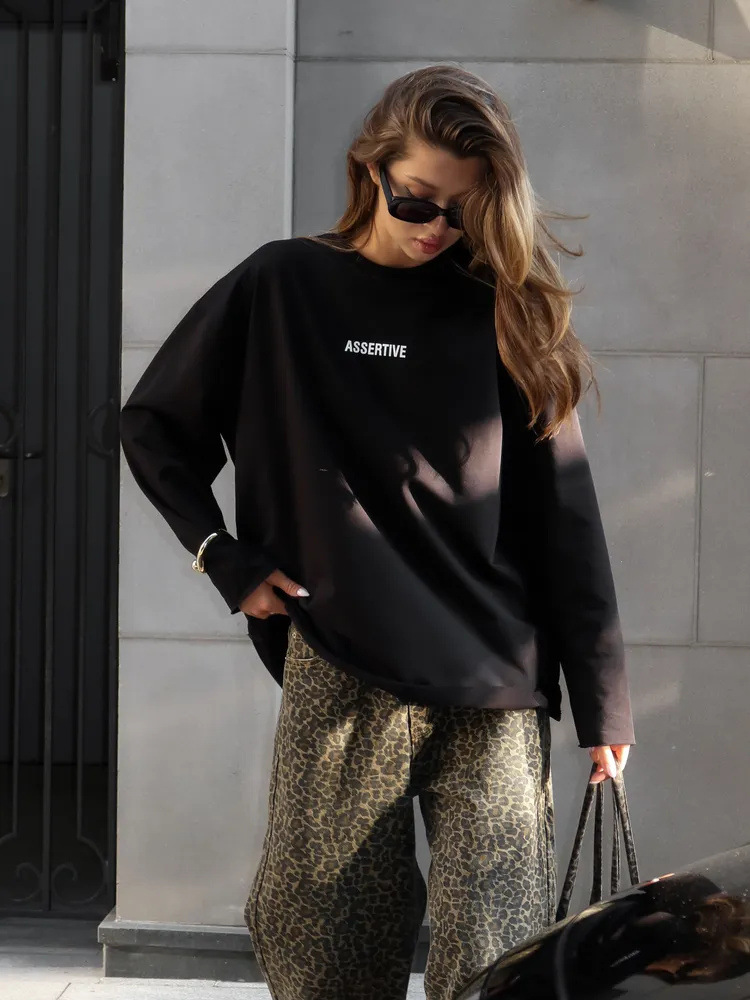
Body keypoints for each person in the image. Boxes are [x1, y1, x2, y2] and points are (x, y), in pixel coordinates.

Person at [120, 63, 635, 1000]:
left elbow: (565, 518)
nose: (436, 228)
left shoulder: (504, 311)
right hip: (340, 661)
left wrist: (604, 707)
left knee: (496, 961)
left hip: (496, 681)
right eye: (417, 200)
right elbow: (153, 425)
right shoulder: (283, 284)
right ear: (372, 169)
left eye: (462, 212)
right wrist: (223, 557)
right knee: (324, 951)